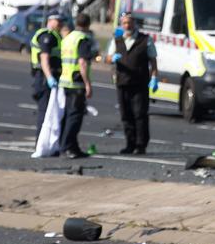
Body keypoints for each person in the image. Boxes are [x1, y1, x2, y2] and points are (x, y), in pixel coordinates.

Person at [108, 12, 158, 155]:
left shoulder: (145, 40)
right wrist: (112, 58)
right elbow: (108, 57)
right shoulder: (117, 40)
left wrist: (154, 77)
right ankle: (130, 143)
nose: (127, 26)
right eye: (124, 23)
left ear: (134, 23)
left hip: (140, 83)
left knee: (140, 114)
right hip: (122, 82)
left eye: (129, 23)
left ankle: (140, 145)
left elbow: (153, 61)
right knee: (126, 115)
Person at [58, 12, 97, 159]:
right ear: (88, 25)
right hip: (76, 82)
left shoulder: (68, 38)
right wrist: (88, 84)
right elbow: (82, 62)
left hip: (66, 80)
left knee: (68, 115)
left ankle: (73, 147)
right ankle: (67, 146)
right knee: (75, 117)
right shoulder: (82, 39)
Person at [30, 12, 64, 135]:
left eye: (61, 21)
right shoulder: (47, 36)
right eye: (57, 21)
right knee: (44, 112)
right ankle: (41, 142)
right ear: (50, 20)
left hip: (47, 76)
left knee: (51, 112)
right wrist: (49, 77)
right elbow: (44, 59)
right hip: (44, 78)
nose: (60, 24)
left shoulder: (55, 36)